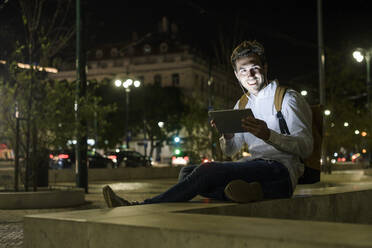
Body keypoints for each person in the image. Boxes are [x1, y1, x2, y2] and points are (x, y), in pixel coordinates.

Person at [102, 40, 313, 207]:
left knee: (206, 172)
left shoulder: (287, 98)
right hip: (254, 168)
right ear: (236, 75)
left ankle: (141, 206)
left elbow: (306, 147)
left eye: (255, 68)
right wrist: (227, 136)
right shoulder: (242, 103)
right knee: (186, 173)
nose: (249, 75)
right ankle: (253, 192)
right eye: (243, 70)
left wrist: (269, 135)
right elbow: (231, 151)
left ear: (265, 68)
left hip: (281, 172)